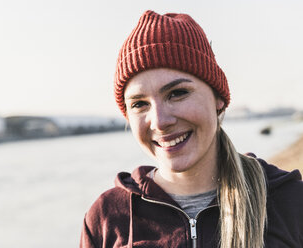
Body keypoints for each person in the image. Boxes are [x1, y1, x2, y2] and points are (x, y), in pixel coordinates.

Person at [80, 10, 303, 248]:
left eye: (177, 93)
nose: (159, 121)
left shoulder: (289, 201)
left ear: (218, 98)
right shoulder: (107, 218)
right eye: (139, 104)